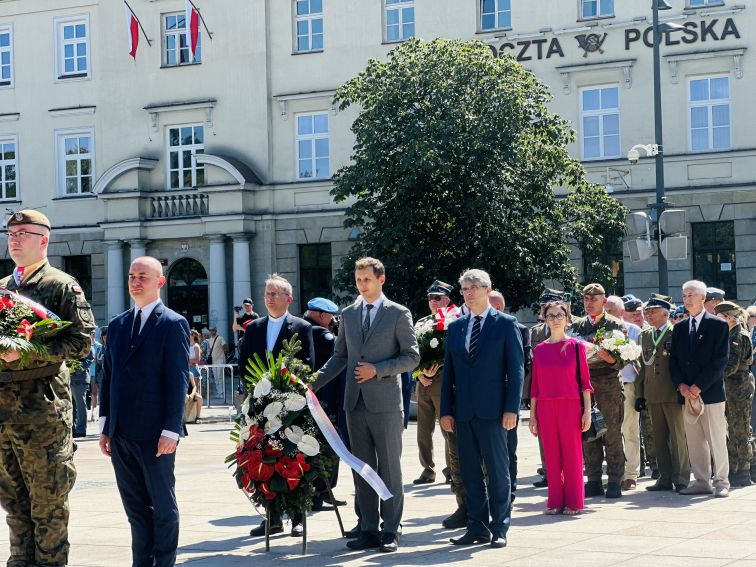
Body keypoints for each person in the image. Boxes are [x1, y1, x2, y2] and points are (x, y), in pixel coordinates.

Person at [0, 209, 95, 567]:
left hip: (42, 412)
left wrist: (27, 351)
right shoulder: (5, 289)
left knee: (48, 504)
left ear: (44, 240)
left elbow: (81, 343)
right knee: (13, 505)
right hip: (4, 415)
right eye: (11, 233)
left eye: (24, 232)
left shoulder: (60, 285)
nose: (15, 239)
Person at [313, 257, 419, 553]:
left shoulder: (398, 313)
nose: (361, 285)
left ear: (380, 279)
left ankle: (391, 529)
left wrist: (378, 369)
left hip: (385, 404)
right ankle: (368, 527)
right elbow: (340, 356)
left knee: (389, 469)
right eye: (358, 280)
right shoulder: (348, 314)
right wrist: (312, 382)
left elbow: (412, 357)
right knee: (362, 469)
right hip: (354, 403)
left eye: (367, 280)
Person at [99, 256, 189, 567]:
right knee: (135, 508)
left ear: (160, 282)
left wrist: (171, 429)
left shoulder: (173, 323)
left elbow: (177, 379)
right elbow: (108, 376)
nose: (136, 282)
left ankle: (163, 562)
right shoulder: (118, 324)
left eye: (143, 276)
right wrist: (106, 426)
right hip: (122, 432)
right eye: (132, 276)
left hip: (156, 434)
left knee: (163, 506)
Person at [440, 269, 523, 549]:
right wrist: (445, 411)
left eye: (474, 287)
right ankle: (478, 526)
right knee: (469, 473)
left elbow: (516, 370)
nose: (469, 292)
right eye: (464, 288)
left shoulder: (506, 324)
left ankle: (500, 526)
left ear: (488, 290)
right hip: (463, 413)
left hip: (495, 412)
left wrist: (512, 407)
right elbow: (449, 374)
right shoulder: (455, 327)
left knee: (499, 472)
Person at [240, 274, 314, 538]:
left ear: (288, 299)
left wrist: (288, 394)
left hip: (291, 407)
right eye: (267, 294)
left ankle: (297, 517)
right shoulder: (253, 328)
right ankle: (270, 517)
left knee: (292, 458)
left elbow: (307, 366)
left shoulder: (302, 327)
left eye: (275, 294)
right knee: (262, 458)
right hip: (260, 407)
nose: (269, 298)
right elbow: (244, 364)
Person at [529, 301, 592, 515]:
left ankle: (574, 501)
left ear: (567, 318)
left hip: (570, 406)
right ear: (544, 320)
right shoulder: (539, 349)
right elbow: (535, 386)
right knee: (551, 455)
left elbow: (585, 383)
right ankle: (555, 501)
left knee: (572, 455)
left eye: (559, 315)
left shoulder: (576, 347)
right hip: (545, 408)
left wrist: (587, 411)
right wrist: (533, 416)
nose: (555, 319)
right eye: (551, 316)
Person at [670, 280, 730, 497]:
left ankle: (722, 481)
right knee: (694, 441)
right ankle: (701, 481)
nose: (687, 299)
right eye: (684, 295)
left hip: (710, 393)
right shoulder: (679, 327)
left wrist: (698, 386)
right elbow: (674, 361)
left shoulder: (718, 325)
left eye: (691, 295)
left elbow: (720, 360)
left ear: (703, 298)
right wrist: (681, 385)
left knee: (716, 437)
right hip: (687, 394)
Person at [570, 283, 627, 499]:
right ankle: (593, 480)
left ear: (604, 301)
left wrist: (599, 352)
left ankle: (614, 480)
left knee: (611, 434)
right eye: (586, 299)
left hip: (608, 387)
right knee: (588, 434)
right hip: (583, 387)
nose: (589, 302)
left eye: (594, 299)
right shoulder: (577, 326)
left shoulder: (614, 325)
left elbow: (620, 361)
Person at [636, 295, 690, 492]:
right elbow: (643, 366)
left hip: (672, 392)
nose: (648, 314)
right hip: (652, 393)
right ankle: (665, 477)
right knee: (659, 438)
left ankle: (682, 477)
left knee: (678, 438)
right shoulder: (645, 335)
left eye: (653, 311)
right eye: (647, 311)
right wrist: (640, 394)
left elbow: (684, 363)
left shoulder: (676, 332)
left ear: (666, 313)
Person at [302, 297, 347, 509]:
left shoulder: (299, 328)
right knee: (328, 446)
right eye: (330, 317)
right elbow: (340, 351)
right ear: (321, 316)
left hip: (311, 398)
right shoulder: (320, 332)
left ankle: (322, 493)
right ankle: (322, 492)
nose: (332, 321)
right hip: (325, 400)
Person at [489, 290, 531, 504]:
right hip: (485, 398)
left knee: (508, 447)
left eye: (497, 306)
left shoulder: (518, 328)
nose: (494, 309)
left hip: (507, 398)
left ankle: (510, 488)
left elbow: (523, 365)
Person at [528, 288, 570, 489]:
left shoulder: (570, 325)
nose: (547, 308)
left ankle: (570, 474)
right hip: (544, 391)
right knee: (545, 437)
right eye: (544, 305)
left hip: (566, 391)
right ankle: (548, 471)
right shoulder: (536, 331)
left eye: (551, 303)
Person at [413, 280, 454, 486]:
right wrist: (419, 373)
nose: (433, 301)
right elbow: (412, 353)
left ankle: (451, 469)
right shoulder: (421, 323)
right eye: (430, 297)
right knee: (423, 430)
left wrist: (437, 367)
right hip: (423, 381)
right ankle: (427, 470)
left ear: (447, 299)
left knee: (447, 428)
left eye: (437, 297)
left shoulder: (455, 320)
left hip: (444, 380)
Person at [605, 294, 644, 491]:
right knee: (611, 433)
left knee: (630, 431)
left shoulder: (635, 331)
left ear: (621, 312)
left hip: (629, 386)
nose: (607, 314)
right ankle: (615, 471)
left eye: (611, 311)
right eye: (606, 311)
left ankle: (631, 473)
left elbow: (641, 363)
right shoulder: (601, 332)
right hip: (606, 388)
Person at [714, 301, 754, 487]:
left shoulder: (739, 335)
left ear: (729, 317)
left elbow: (731, 365)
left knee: (741, 428)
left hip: (738, 386)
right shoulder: (729, 334)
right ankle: (736, 465)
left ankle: (744, 471)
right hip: (729, 387)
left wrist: (710, 376)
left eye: (720, 317)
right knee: (732, 427)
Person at [70, 341, 94, 438]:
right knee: (71, 406)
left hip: (80, 378)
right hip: (69, 378)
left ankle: (80, 430)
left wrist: (75, 369)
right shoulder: (69, 343)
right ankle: (73, 429)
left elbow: (89, 360)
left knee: (80, 405)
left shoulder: (86, 343)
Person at [185, 329, 203, 424]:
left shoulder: (196, 346)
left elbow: (197, 359)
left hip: (193, 370)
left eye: (191, 334)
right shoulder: (187, 345)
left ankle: (197, 415)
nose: (189, 335)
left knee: (195, 391)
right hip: (188, 368)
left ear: (194, 336)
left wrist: (187, 361)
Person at [92, 327, 108, 421]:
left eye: (107, 337)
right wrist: (97, 380)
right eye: (104, 337)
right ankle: (103, 419)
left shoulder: (114, 347)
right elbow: (97, 365)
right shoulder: (100, 349)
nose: (105, 338)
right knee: (102, 399)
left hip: (110, 378)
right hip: (101, 378)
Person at [207, 326, 228, 396]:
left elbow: (225, 346)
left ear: (215, 331)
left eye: (212, 330)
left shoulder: (220, 338)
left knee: (220, 377)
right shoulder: (209, 340)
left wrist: (224, 356)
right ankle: (219, 392)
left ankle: (222, 392)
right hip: (213, 361)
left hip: (220, 360)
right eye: (210, 330)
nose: (211, 332)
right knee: (216, 378)